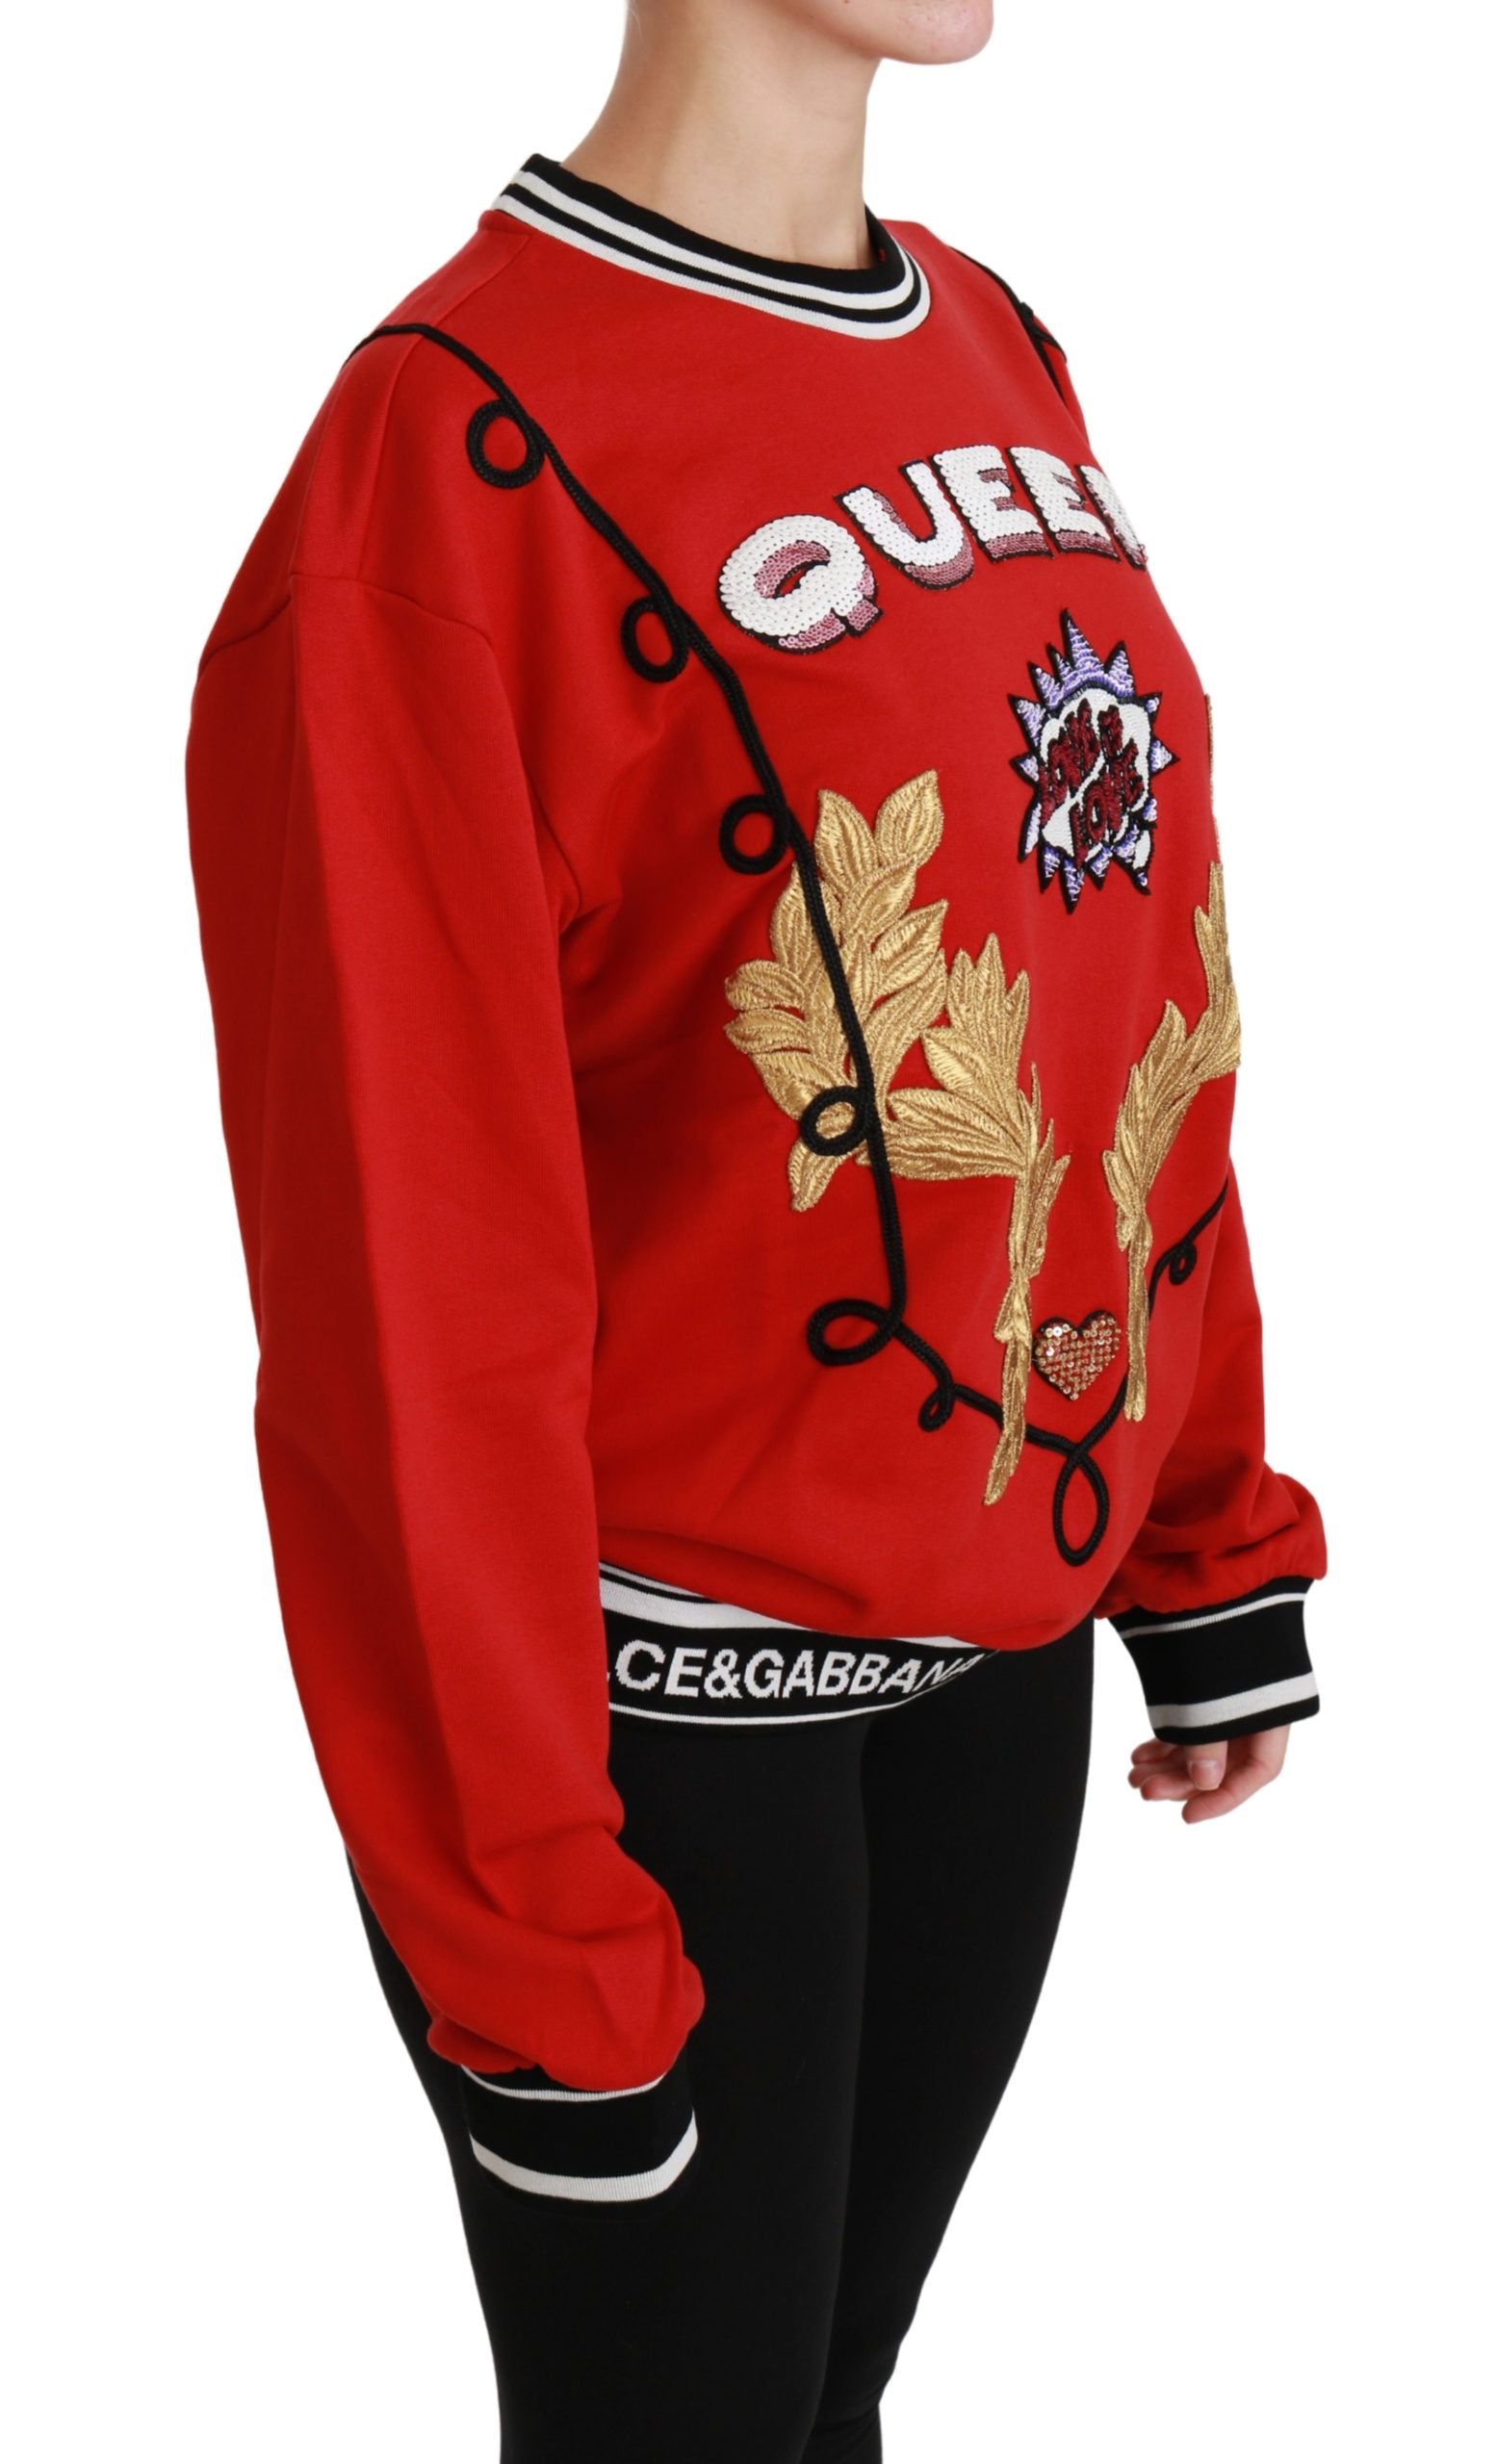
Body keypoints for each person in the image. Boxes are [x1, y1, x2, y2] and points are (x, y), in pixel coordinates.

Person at [187, 2, 1326, 2455]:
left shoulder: (1000, 343)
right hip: (652, 1733)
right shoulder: (444, 458)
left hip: (993, 1675)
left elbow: (1128, 955)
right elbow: (403, 1277)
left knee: (831, 2410)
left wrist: (1205, 1529)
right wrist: (523, 1927)